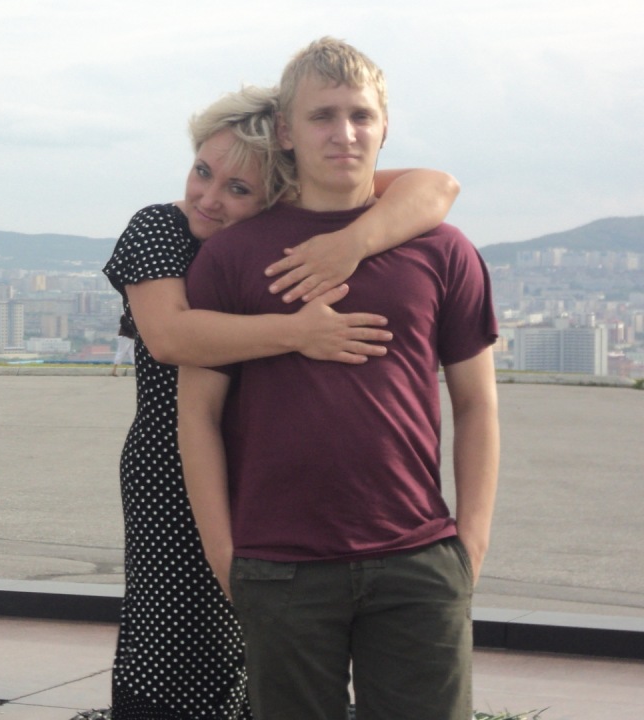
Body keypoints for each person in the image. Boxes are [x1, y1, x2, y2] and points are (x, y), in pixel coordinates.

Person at [101, 82, 462, 719]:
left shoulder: (278, 231)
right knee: (178, 653)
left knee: (277, 664)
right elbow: (170, 337)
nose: (208, 198)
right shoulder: (159, 228)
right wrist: (299, 333)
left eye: (238, 188)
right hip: (173, 474)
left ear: (279, 193)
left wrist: (353, 241)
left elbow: (436, 187)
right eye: (203, 171)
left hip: (272, 478)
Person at [178, 38, 499, 720]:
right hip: (278, 564)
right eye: (322, 116)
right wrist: (224, 554)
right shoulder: (233, 256)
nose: (344, 133)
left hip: (418, 558)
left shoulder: (444, 251)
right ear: (287, 132)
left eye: (360, 115)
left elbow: (477, 406)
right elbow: (198, 415)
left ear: (385, 127)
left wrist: (469, 543)